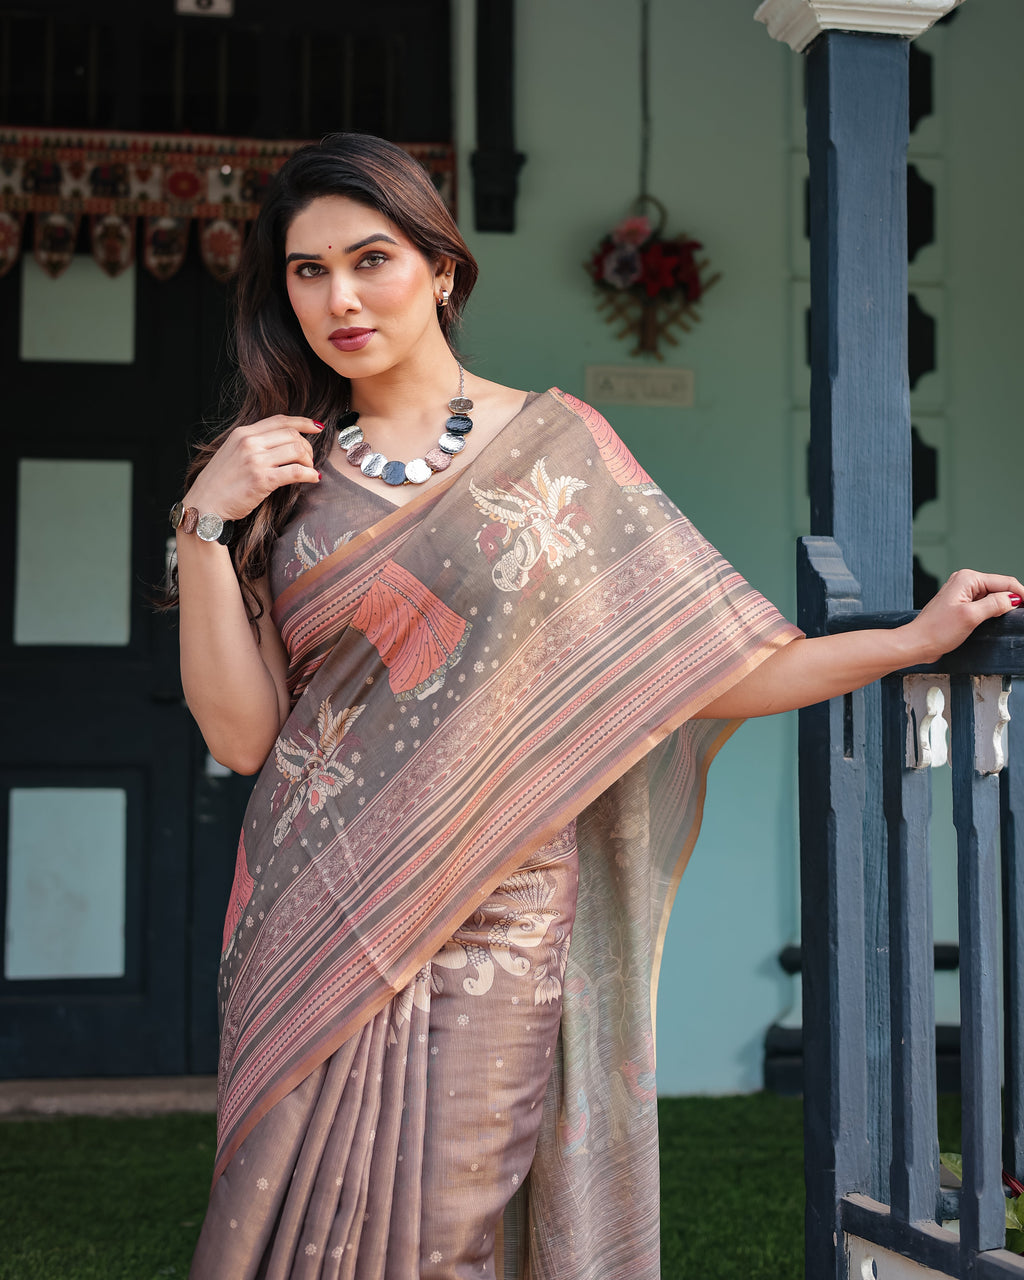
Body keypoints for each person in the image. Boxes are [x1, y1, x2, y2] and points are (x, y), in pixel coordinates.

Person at [171, 132, 1022, 1280]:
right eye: (307, 271)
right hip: (309, 909)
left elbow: (707, 665)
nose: (341, 298)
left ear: (442, 269)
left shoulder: (558, 447)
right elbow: (240, 735)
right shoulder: (279, 478)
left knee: (442, 1224)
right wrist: (204, 524)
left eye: (371, 259)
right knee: (285, 1227)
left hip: (499, 910)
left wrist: (909, 640)